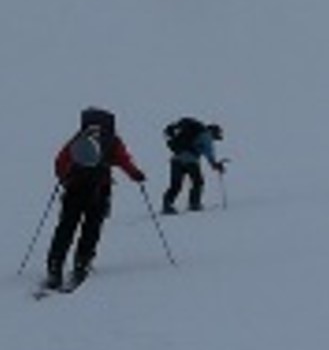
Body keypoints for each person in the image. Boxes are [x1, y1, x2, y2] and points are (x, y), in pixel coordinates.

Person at [46, 106, 146, 291]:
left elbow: (60, 161)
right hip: (100, 190)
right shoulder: (112, 140)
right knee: (91, 228)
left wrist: (64, 179)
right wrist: (135, 174)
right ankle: (82, 262)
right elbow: (123, 160)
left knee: (66, 227)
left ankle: (55, 265)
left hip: (74, 189)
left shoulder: (78, 138)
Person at [161, 117, 227, 213]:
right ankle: (194, 204)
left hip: (176, 160)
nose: (214, 139)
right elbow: (209, 153)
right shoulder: (206, 135)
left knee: (176, 185)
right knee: (198, 182)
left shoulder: (191, 133)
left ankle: (167, 205)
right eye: (216, 136)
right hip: (190, 161)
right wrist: (215, 165)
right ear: (213, 132)